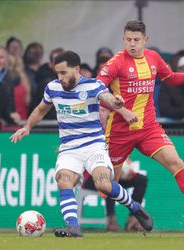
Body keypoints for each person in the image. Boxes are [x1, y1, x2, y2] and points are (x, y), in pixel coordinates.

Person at [9, 50, 153, 238]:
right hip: (69, 147)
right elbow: (41, 109)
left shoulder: (93, 85)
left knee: (104, 185)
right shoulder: (52, 88)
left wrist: (118, 103)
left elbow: (108, 99)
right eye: (57, 73)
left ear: (76, 69)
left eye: (63, 73)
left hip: (94, 146)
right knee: (63, 180)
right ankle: (73, 227)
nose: (59, 78)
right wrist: (27, 126)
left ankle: (134, 207)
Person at [96, 20, 184, 231]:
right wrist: (121, 109)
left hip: (148, 129)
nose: (132, 44)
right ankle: (134, 209)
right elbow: (97, 89)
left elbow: (170, 78)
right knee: (107, 187)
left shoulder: (153, 58)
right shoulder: (116, 62)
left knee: (176, 162)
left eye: (136, 40)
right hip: (119, 132)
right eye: (128, 40)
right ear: (123, 39)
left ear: (146, 40)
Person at [83, 157, 148, 232]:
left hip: (117, 174)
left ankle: (133, 219)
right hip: (95, 176)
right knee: (109, 185)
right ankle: (111, 220)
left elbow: (123, 159)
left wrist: (127, 171)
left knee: (141, 179)